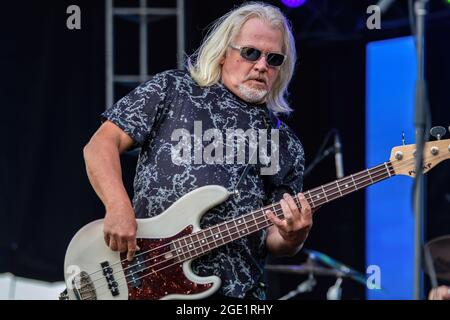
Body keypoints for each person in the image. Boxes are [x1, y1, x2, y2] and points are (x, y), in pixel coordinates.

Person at [83, 2, 312, 300]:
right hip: (144, 277)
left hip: (235, 295)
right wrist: (117, 206)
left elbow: (275, 237)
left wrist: (294, 236)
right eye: (251, 52)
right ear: (222, 52)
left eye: (274, 58)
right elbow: (101, 144)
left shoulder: (283, 142)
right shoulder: (174, 90)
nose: (261, 65)